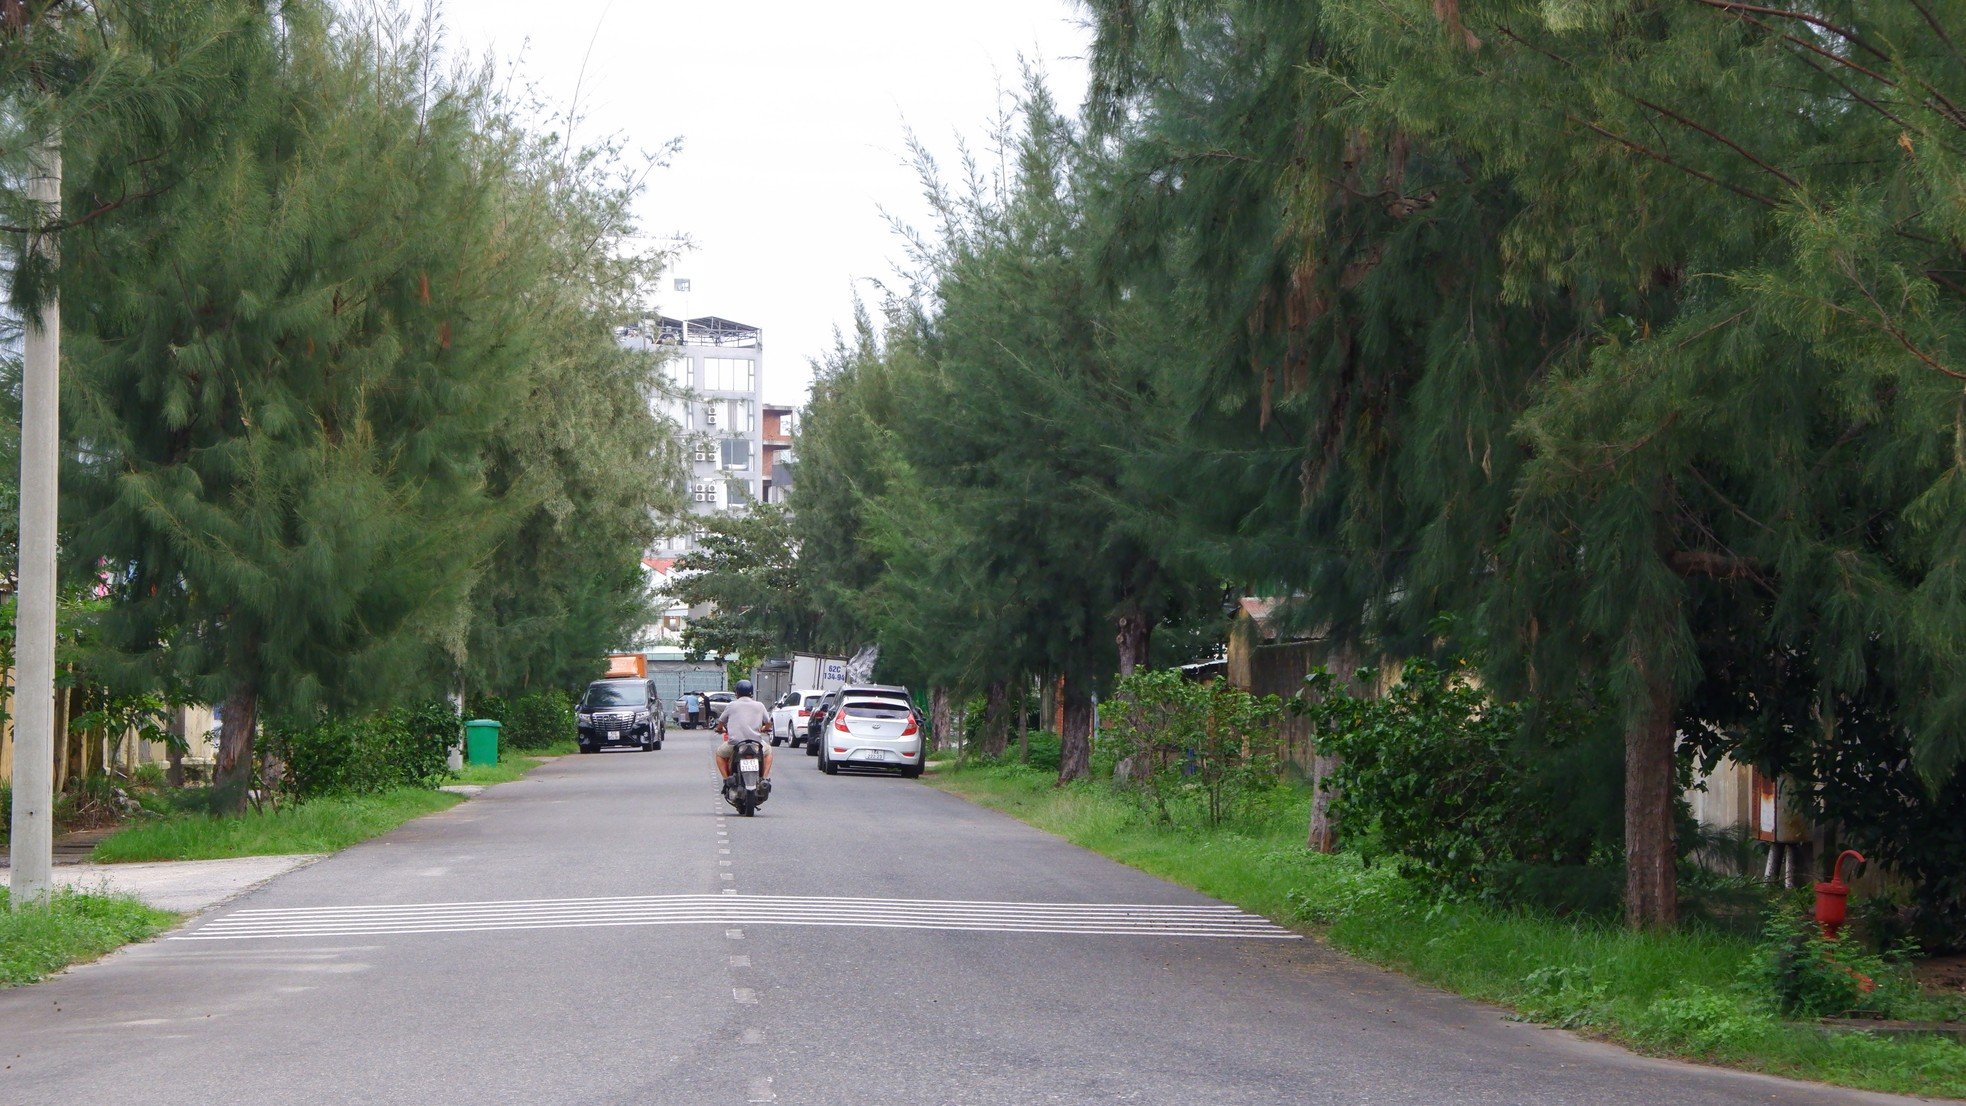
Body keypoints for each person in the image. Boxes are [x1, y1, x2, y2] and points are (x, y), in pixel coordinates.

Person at [714, 680, 773, 782]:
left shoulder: (732, 705)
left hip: (735, 744)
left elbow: (720, 722)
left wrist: (720, 729)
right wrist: (765, 728)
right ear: (751, 693)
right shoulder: (760, 705)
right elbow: (768, 722)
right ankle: (764, 778)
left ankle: (726, 779)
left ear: (737, 693)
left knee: (719, 755)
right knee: (768, 753)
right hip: (756, 745)